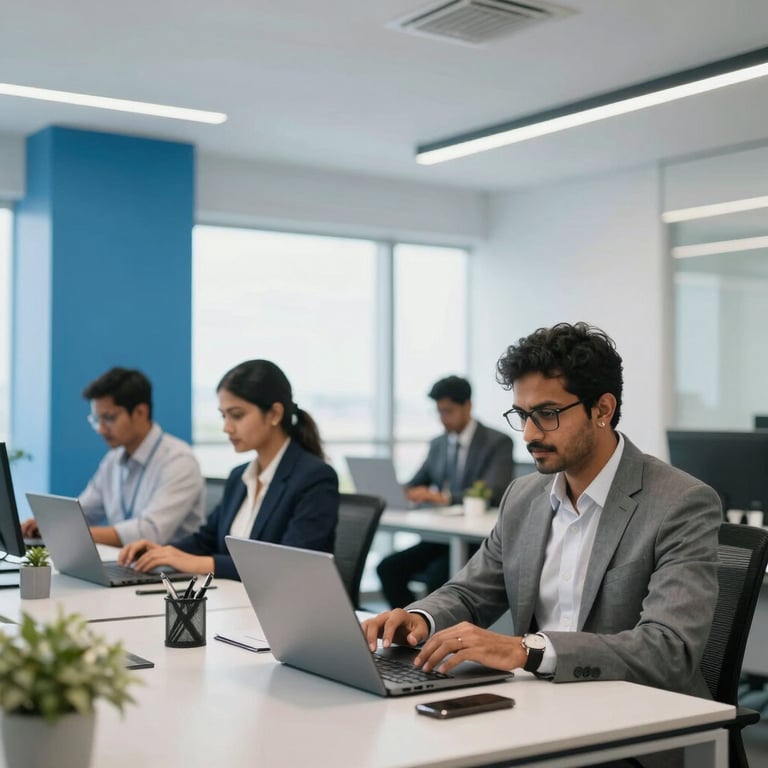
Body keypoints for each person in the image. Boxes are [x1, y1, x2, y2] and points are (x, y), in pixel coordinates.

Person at [364, 323, 721, 707]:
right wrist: (421, 619)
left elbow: (669, 649)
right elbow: (470, 592)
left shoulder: (680, 502)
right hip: (539, 704)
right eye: (522, 415)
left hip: (639, 713)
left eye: (547, 414)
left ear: (602, 409)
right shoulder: (523, 496)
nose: (529, 434)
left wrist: (528, 651)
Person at [118, 359, 339, 580]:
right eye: (224, 416)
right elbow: (206, 541)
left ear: (274, 414)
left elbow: (291, 565)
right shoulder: (239, 477)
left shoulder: (314, 478)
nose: (226, 427)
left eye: (237, 415)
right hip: (232, 596)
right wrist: (161, 552)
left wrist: (203, 563)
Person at [21, 367, 205, 547]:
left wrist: (66, 531)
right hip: (125, 561)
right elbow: (83, 512)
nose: (101, 429)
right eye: (96, 420)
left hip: (170, 565)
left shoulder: (179, 461)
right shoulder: (113, 459)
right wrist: (50, 524)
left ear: (140, 413)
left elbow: (150, 532)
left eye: (109, 418)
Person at [376, 375, 514, 608]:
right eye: (439, 412)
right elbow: (417, 481)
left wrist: (444, 498)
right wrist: (399, 489)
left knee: (438, 578)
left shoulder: (497, 442)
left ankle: (430, 625)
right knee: (388, 569)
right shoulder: (438, 444)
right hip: (441, 538)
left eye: (448, 411)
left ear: (468, 406)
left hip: (476, 541)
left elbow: (494, 489)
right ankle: (409, 624)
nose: (443, 419)